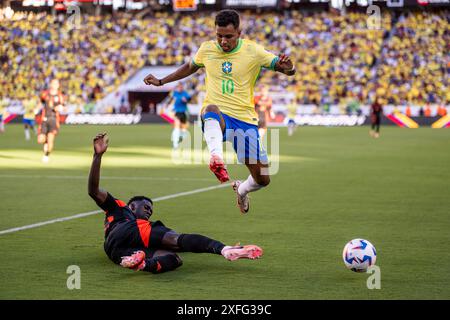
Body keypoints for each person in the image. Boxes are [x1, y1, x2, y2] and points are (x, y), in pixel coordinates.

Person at [143, 10, 296, 214]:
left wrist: (290, 68)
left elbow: (281, 66)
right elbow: (189, 67)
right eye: (219, 36)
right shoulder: (206, 49)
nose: (223, 41)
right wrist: (161, 81)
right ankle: (216, 157)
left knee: (263, 179)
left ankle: (241, 190)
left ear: (239, 32)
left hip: (245, 119)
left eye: (228, 36)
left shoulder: (254, 51)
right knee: (210, 109)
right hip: (218, 115)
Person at [88, 133, 263, 274]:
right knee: (176, 239)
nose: (149, 212)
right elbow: (93, 191)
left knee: (173, 259)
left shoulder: (117, 219)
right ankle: (224, 249)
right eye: (146, 207)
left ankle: (142, 265)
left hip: (114, 251)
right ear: (132, 206)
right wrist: (97, 157)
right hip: (128, 230)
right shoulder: (120, 208)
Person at [38, 79, 65, 163]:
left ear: (58, 85)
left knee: (50, 141)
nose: (55, 85)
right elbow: (41, 103)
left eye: (57, 83)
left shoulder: (60, 96)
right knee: (40, 140)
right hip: (44, 119)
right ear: (51, 84)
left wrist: (60, 108)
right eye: (53, 83)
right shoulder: (45, 94)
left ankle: (46, 155)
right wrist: (36, 109)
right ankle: (45, 143)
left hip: (53, 120)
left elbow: (64, 107)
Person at [165, 83, 191, 149]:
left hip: (184, 113)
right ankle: (175, 144)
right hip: (177, 112)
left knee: (183, 129)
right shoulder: (175, 93)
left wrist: (186, 100)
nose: (180, 88)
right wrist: (167, 105)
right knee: (177, 126)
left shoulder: (185, 93)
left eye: (181, 87)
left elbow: (189, 99)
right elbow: (170, 99)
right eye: (179, 87)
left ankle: (181, 139)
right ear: (177, 87)